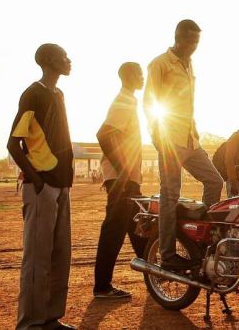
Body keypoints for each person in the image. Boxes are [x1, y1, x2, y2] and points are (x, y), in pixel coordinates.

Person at [144, 20, 224, 270]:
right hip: (169, 140)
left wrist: (194, 128)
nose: (194, 47)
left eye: (197, 43)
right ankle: (167, 255)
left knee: (215, 181)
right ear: (178, 38)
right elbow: (150, 102)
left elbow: (184, 103)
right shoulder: (160, 64)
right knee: (170, 194)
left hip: (190, 139)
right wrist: (158, 138)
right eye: (190, 42)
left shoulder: (189, 64)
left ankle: (203, 237)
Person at [7, 43, 75, 330]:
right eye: (63, 56)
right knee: (37, 258)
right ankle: (30, 324)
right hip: (42, 187)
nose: (69, 60)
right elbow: (13, 143)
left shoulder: (58, 94)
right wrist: (35, 180)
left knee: (60, 255)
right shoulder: (33, 94)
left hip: (62, 187)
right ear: (47, 61)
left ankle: (50, 318)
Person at [93, 62, 148, 299]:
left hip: (126, 177)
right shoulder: (124, 101)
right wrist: (124, 170)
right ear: (128, 76)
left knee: (138, 227)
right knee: (114, 230)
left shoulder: (129, 101)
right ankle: (102, 287)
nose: (143, 77)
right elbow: (104, 134)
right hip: (120, 178)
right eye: (139, 74)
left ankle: (154, 277)